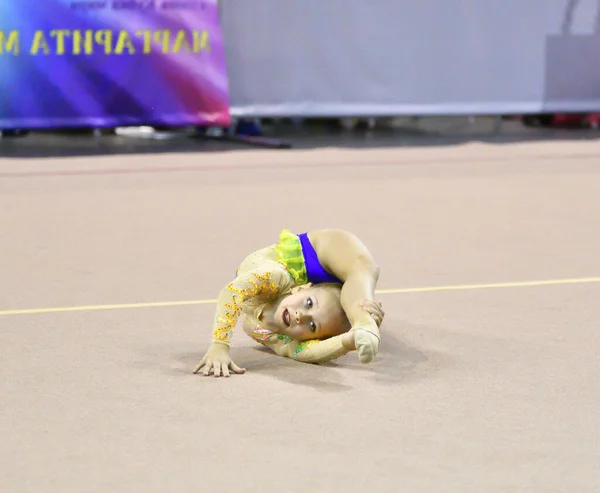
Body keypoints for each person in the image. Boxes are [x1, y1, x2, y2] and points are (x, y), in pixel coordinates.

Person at [193, 229, 383, 377]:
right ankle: (364, 321)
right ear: (301, 288)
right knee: (365, 269)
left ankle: (362, 321)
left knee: (356, 300)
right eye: (308, 304)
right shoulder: (276, 279)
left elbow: (304, 353)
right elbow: (232, 292)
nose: (301, 315)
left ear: (308, 338)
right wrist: (219, 345)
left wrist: (349, 341)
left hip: (326, 294)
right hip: (313, 252)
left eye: (312, 325)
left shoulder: (275, 336)